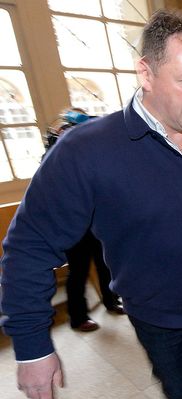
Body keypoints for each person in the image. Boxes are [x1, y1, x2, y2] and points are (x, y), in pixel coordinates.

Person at [1, 9, 182, 399]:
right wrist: (31, 346)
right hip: (156, 317)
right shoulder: (85, 151)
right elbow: (28, 246)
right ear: (145, 74)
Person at [47, 108, 125, 332]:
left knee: (104, 264)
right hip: (73, 226)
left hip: (97, 222)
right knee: (78, 272)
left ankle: (111, 300)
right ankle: (78, 317)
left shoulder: (93, 154)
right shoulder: (54, 155)